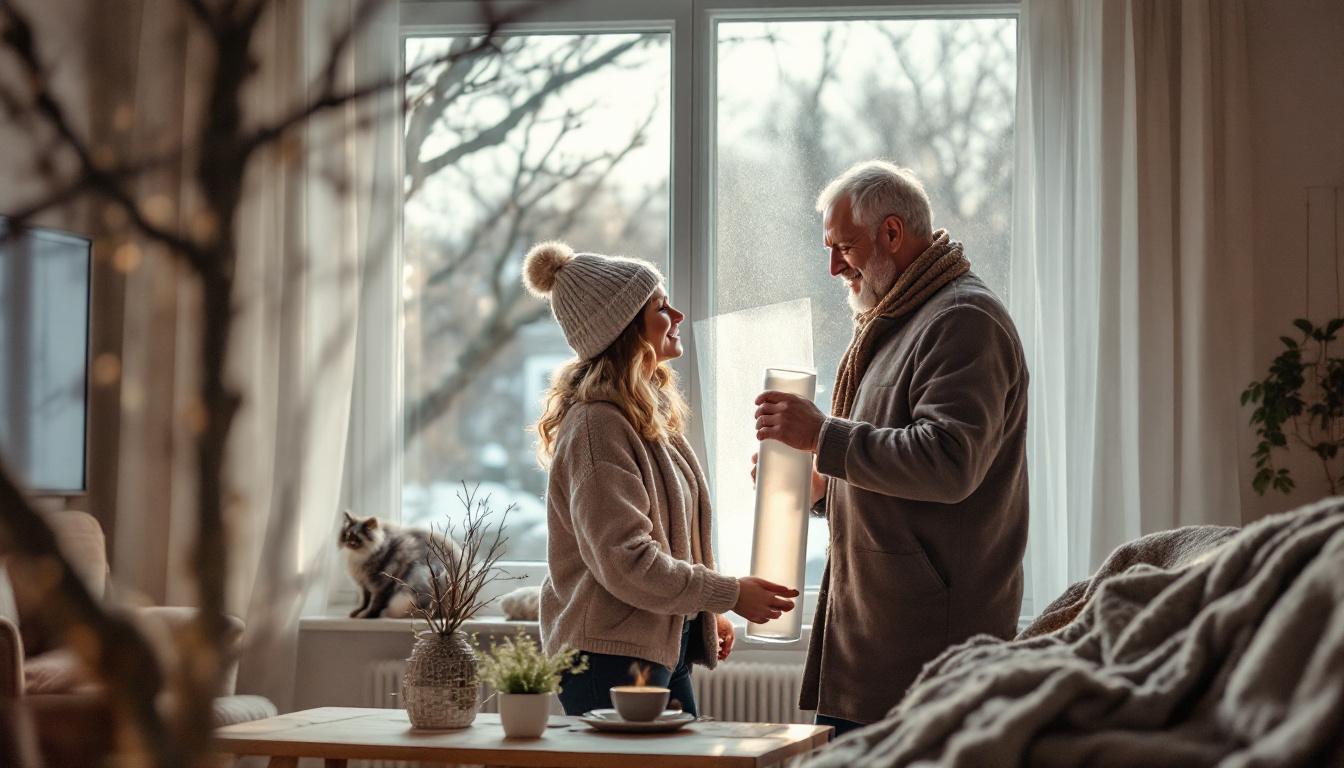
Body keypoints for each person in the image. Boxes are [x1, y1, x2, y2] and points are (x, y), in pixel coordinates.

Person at [752, 161, 1029, 736]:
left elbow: (950, 463)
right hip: (884, 641)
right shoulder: (906, 317)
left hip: (926, 656)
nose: (832, 267)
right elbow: (900, 469)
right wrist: (824, 487)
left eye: (843, 247)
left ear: (893, 234)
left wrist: (820, 436)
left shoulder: (962, 320)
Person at [525, 240, 798, 717]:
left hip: (650, 651)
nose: (677, 314)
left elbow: (669, 540)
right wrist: (728, 592)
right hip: (609, 659)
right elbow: (627, 561)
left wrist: (700, 614)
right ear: (626, 327)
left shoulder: (641, 417)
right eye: (659, 306)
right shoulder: (598, 426)